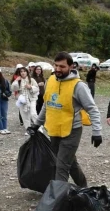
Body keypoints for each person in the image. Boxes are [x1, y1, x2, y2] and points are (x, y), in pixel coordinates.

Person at [29, 52, 102, 187]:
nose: (57, 69)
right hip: (54, 130)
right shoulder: (50, 81)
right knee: (69, 162)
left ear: (71, 66)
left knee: (61, 166)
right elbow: (47, 104)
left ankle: (58, 201)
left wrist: (97, 131)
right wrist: (36, 124)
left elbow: (92, 109)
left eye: (62, 67)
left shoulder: (79, 86)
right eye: (56, 65)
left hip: (72, 131)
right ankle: (84, 188)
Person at [11, 67, 39, 135]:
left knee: (33, 113)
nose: (23, 73)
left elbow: (37, 88)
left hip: (31, 99)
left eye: (24, 71)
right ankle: (28, 129)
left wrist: (31, 87)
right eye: (21, 71)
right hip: (22, 100)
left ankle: (38, 128)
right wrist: (16, 81)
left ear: (27, 72)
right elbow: (13, 89)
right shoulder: (18, 80)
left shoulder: (31, 80)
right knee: (25, 116)